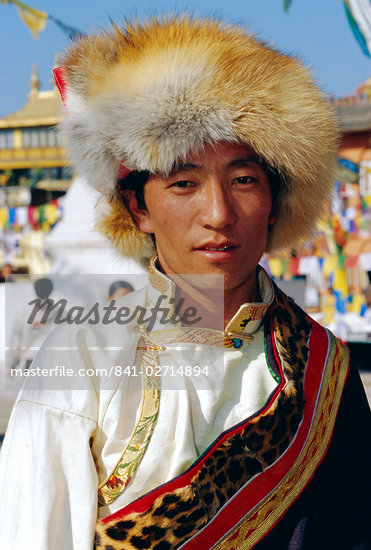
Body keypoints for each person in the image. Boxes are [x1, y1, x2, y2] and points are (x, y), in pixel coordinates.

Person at [0, 15, 370, 550]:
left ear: (274, 201)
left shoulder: (324, 369)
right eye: (183, 183)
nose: (218, 213)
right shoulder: (83, 358)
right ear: (138, 208)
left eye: (244, 180)